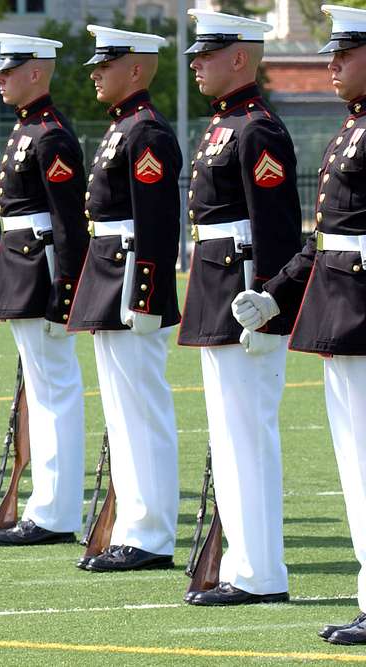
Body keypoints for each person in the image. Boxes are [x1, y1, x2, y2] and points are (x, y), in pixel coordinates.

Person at [233, 3, 366, 643]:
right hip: (342, 313)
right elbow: (323, 237)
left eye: (344, 54)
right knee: (354, 460)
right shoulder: (352, 129)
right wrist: (273, 295)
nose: (332, 65)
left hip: (363, 311)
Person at [180, 9, 302, 606]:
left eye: (208, 54)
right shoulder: (225, 124)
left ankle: (259, 573)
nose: (195, 63)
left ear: (239, 57)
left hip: (244, 297)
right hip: (217, 289)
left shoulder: (258, 129)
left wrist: (269, 303)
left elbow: (275, 228)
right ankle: (244, 565)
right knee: (229, 435)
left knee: (245, 434)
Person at [67, 26, 181, 571]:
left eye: (105, 64)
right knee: (121, 410)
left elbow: (156, 224)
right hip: (110, 275)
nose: (94, 73)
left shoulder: (147, 133)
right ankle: (136, 525)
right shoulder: (125, 128)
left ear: (135, 69)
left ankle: (152, 533)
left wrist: (146, 296)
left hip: (130, 279)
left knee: (141, 409)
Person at [0, 33, 89, 545]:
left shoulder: (51, 135)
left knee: (54, 393)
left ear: (37, 71)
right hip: (25, 267)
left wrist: (65, 293)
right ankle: (48, 506)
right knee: (42, 391)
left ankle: (55, 510)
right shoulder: (29, 129)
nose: (0, 77)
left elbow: (69, 223)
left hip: (42, 272)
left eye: (10, 68)